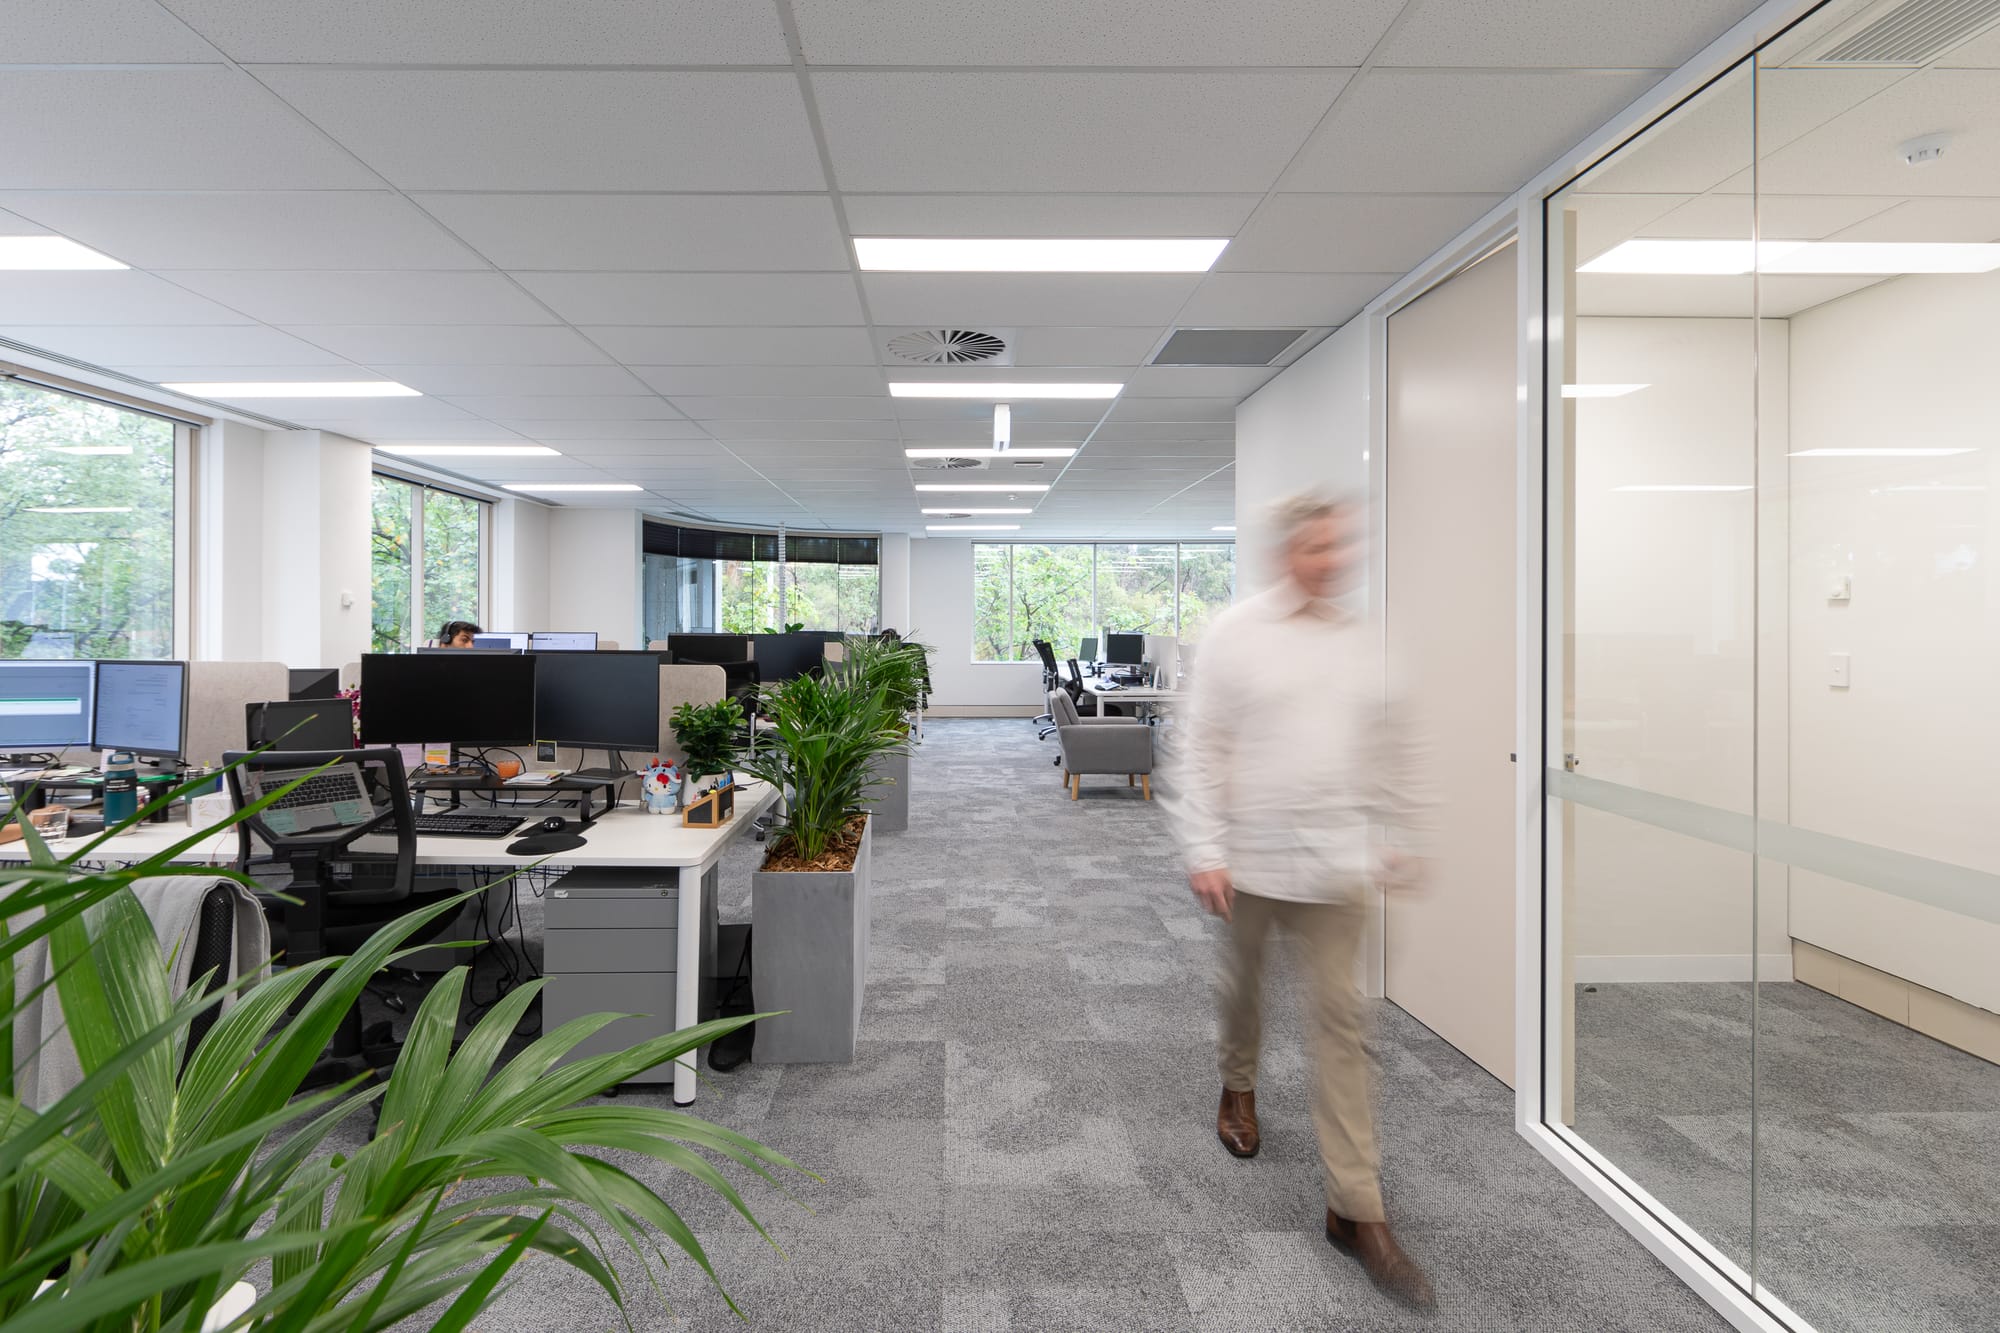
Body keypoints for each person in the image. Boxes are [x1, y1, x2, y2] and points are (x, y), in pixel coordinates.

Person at [1167, 492, 1436, 1311]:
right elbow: (1202, 744)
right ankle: (1237, 1083)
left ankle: (1355, 1208)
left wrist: (1401, 828)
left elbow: (1392, 744)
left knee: (1344, 1028)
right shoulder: (1236, 634)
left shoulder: (1367, 645)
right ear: (1290, 553)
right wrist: (1205, 847)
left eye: (1341, 546)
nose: (1332, 559)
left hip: (1336, 865)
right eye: (1317, 546)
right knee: (1242, 991)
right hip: (1250, 858)